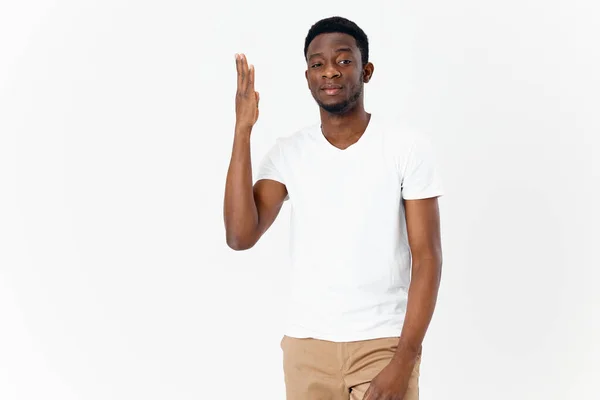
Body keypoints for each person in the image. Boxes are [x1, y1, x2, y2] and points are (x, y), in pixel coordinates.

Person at [224, 16, 444, 400]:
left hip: (382, 345)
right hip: (307, 348)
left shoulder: (405, 147)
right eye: (317, 63)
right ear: (307, 76)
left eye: (344, 60)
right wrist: (243, 130)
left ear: (366, 70)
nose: (330, 71)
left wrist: (405, 358)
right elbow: (241, 236)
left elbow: (428, 258)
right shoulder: (289, 153)